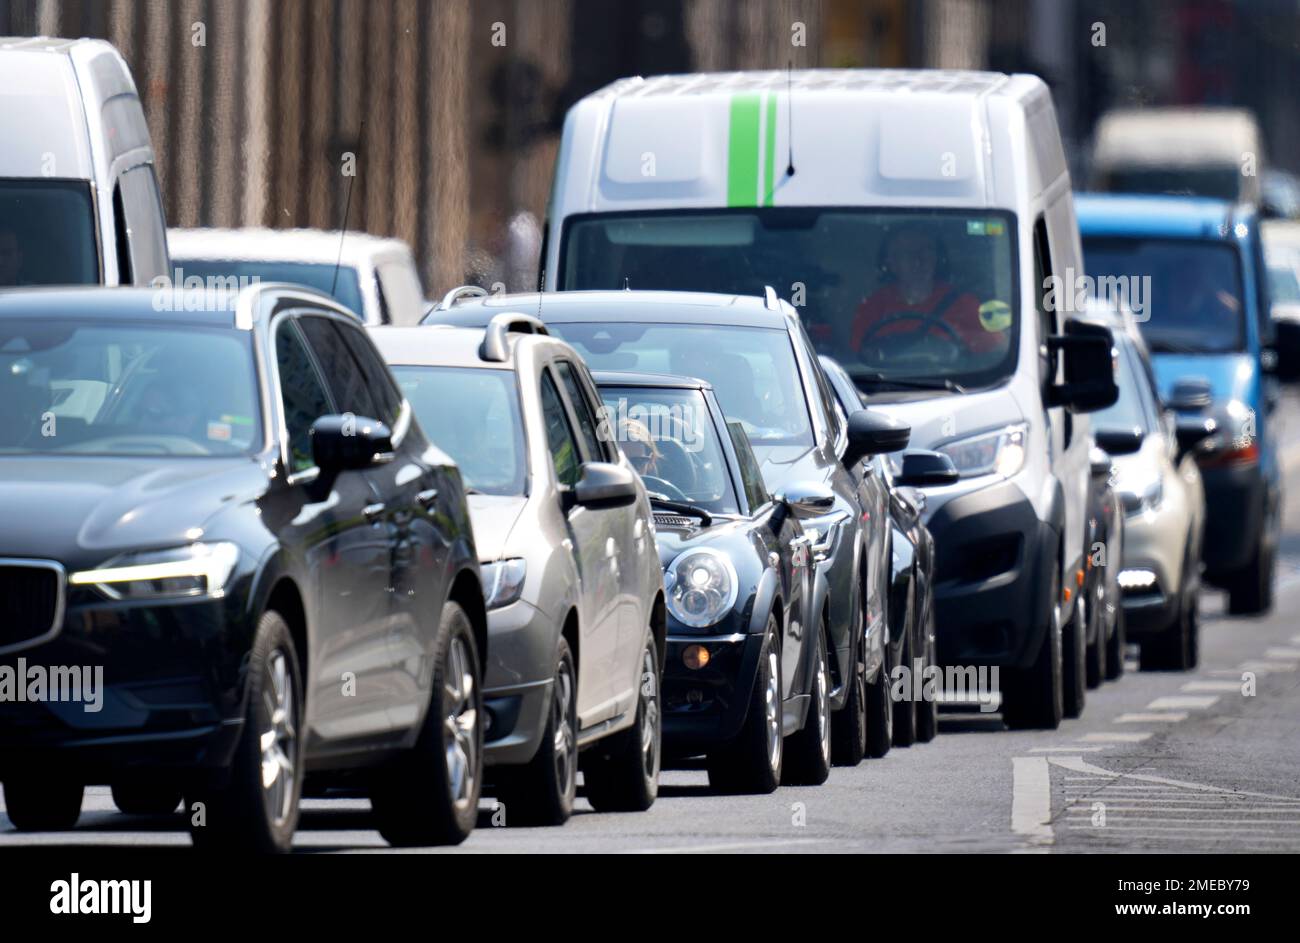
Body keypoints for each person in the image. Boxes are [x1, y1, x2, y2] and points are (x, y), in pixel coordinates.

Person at [850, 225, 1007, 361]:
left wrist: (962, 339)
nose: (918, 258)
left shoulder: (963, 304)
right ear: (891, 263)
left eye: (926, 250)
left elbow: (998, 352)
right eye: (907, 252)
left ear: (937, 258)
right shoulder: (873, 307)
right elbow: (857, 359)